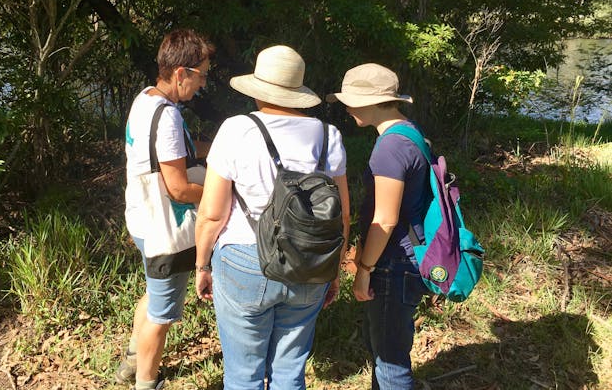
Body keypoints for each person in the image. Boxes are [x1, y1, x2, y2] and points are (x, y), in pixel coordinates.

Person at [194, 45, 350, 390]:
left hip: (244, 259)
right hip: (311, 262)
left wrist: (202, 265)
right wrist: (333, 270)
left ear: (257, 89)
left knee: (243, 375)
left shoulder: (236, 130)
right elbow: (341, 217)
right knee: (289, 372)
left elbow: (211, 214)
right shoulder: (329, 136)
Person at [117, 29, 215, 390]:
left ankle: (130, 361)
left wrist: (214, 146)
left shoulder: (146, 100)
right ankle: (146, 382)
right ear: (180, 74)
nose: (202, 84)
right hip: (166, 230)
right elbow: (177, 187)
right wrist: (217, 195)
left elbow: (171, 156)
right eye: (201, 75)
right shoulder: (170, 117)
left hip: (142, 219)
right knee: (162, 314)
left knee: (152, 293)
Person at [326, 63, 430, 390]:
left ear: (371, 101)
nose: (346, 107)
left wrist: (364, 269)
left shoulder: (390, 147)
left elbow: (385, 219)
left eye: (351, 100)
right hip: (411, 256)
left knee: (390, 363)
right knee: (388, 350)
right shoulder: (411, 133)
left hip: (393, 265)